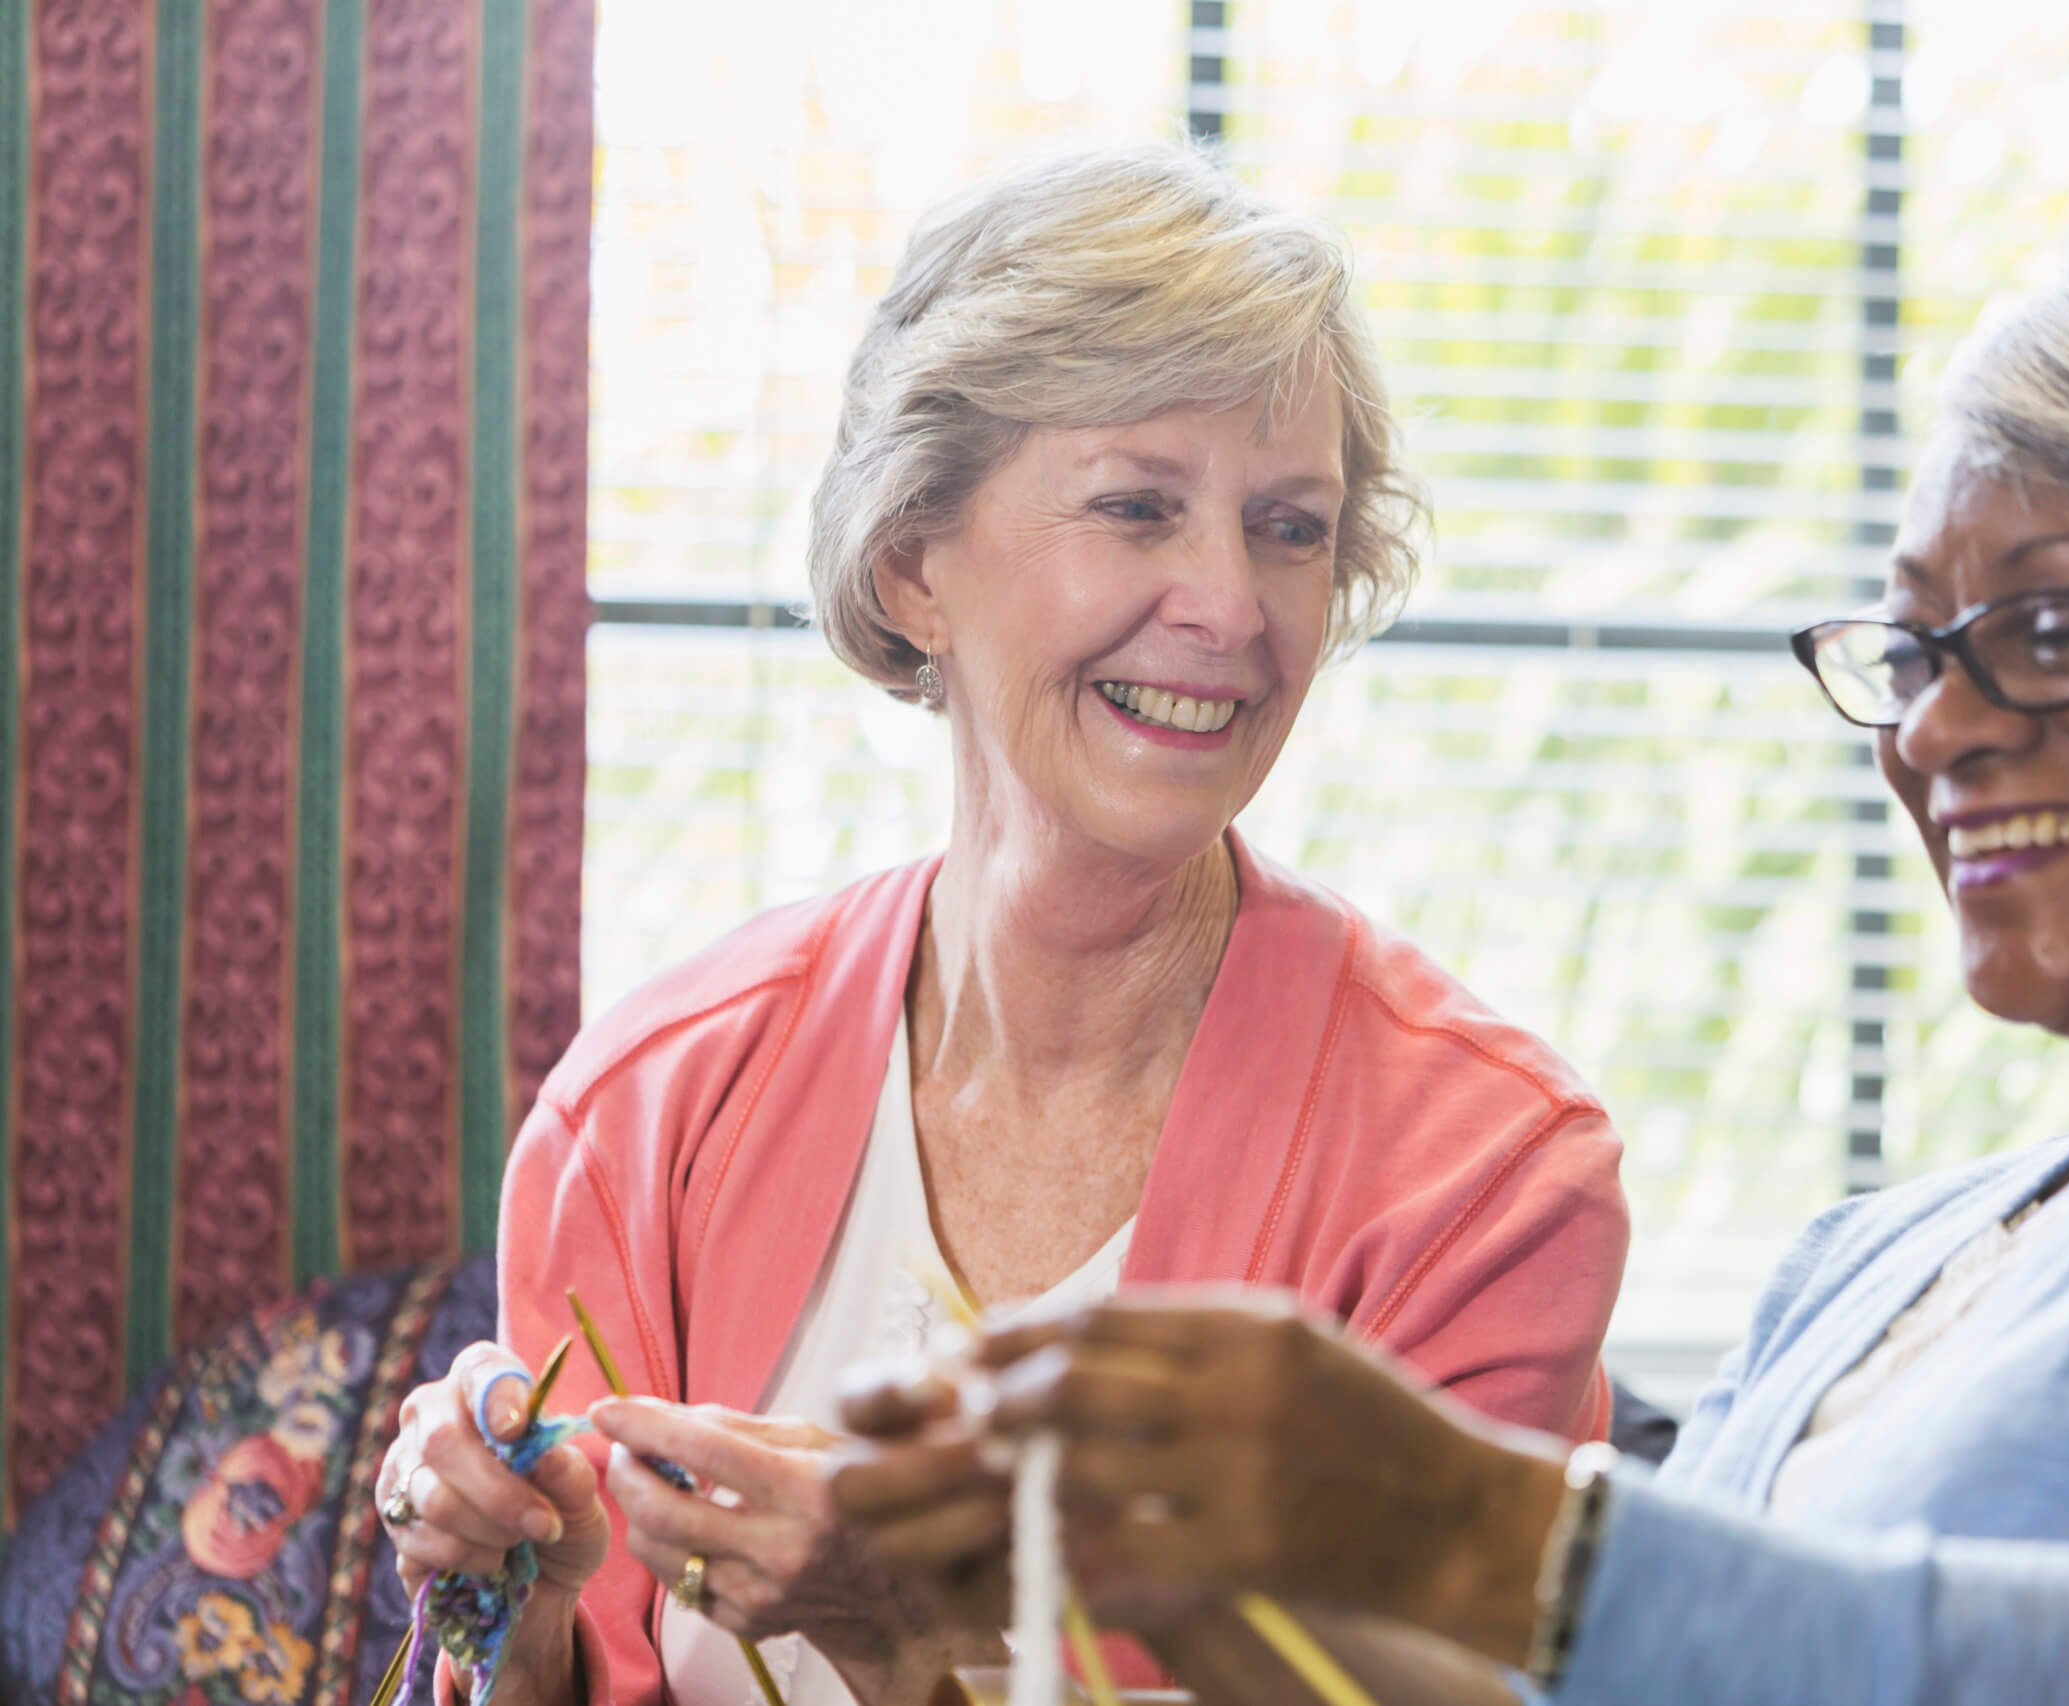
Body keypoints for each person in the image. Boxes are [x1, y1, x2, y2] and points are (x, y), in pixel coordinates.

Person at [898, 179, 2069, 1704]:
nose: (1940, 728)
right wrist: (1198, 1586)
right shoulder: (1866, 1265)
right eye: (1915, 650)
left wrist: (1459, 1520)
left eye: (2051, 628)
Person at [370, 143, 1629, 1706]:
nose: (1231, 604)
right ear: (913, 566)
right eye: (1138, 505)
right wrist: (517, 1602)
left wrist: (906, 1642)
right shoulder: (644, 1112)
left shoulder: (1488, 1182)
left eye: (1291, 527)